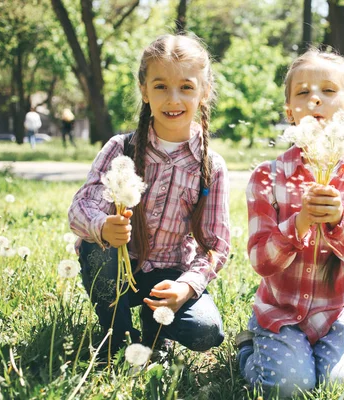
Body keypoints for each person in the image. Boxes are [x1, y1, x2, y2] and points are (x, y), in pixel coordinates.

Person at [237, 49, 344, 397]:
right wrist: (300, 222)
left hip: (340, 312)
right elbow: (261, 261)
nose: (315, 99)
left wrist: (340, 220)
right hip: (282, 311)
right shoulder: (268, 177)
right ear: (290, 111)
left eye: (328, 91)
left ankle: (333, 354)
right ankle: (249, 349)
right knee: (289, 387)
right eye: (303, 93)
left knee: (343, 387)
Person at [68, 34, 230, 356]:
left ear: (204, 91)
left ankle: (156, 325)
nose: (173, 99)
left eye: (186, 87)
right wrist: (102, 226)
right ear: (144, 90)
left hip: (170, 274)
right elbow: (80, 208)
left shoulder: (210, 165)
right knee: (98, 248)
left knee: (206, 332)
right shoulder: (121, 149)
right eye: (160, 86)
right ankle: (115, 331)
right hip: (120, 266)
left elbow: (216, 246)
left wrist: (185, 287)